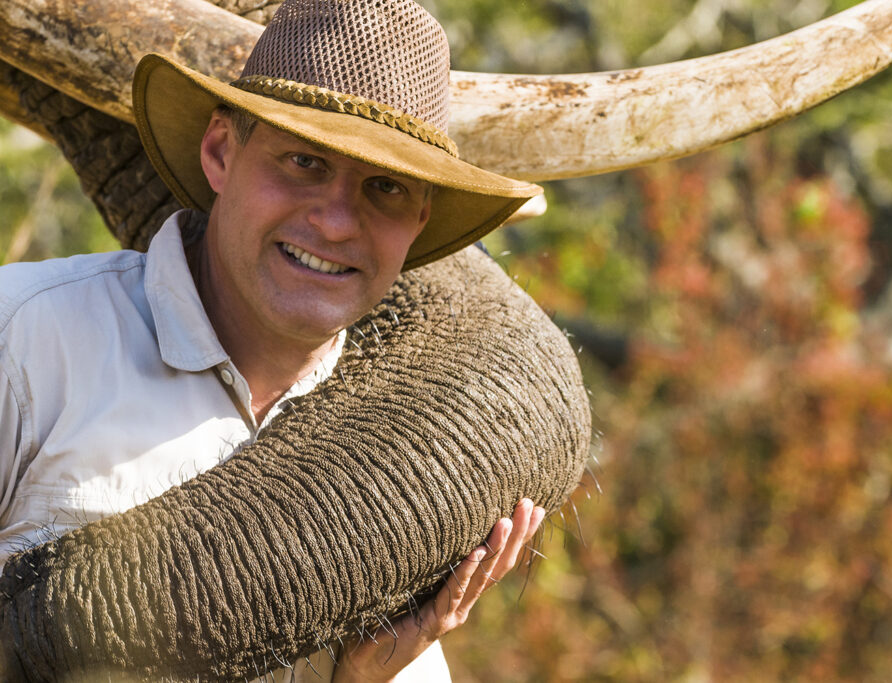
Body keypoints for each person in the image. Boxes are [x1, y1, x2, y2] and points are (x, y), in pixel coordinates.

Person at [0, 0, 546, 679]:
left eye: (385, 187)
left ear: (420, 223)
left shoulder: (386, 482)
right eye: (303, 162)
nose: (338, 221)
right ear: (220, 152)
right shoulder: (25, 340)